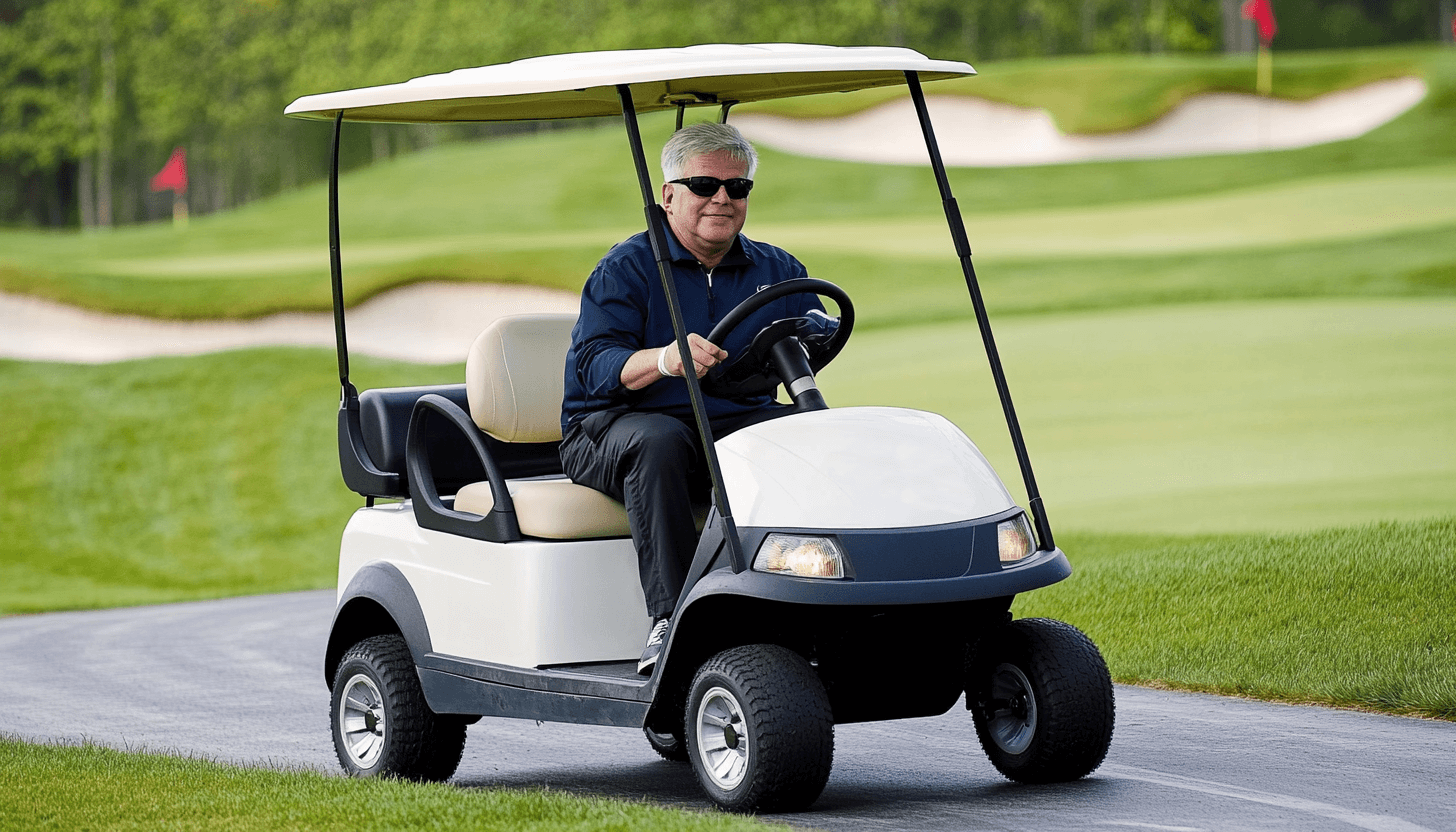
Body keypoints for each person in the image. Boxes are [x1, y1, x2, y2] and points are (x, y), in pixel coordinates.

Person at [559, 122, 835, 675]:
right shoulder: (627, 269)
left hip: (728, 425)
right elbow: (595, 366)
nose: (722, 199)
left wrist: (814, 331)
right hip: (615, 427)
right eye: (705, 185)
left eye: (738, 188)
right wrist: (664, 358)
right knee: (660, 442)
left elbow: (813, 322)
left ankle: (813, 609)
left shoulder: (774, 269)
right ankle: (672, 621)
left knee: (813, 438)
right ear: (669, 195)